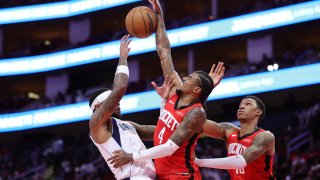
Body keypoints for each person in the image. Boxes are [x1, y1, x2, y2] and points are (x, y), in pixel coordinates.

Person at [107, 0, 225, 179]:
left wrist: (131, 157)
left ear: (196, 90)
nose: (184, 77)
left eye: (190, 78)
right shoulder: (174, 91)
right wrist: (160, 17)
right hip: (163, 173)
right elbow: (164, 52)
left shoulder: (196, 113)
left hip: (182, 175)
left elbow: (170, 146)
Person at [89, 35, 156, 180]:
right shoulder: (96, 124)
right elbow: (119, 88)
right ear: (99, 106)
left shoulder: (126, 124)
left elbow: (158, 132)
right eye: (111, 101)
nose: (117, 103)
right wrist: (123, 57)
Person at [195, 96, 276, 180]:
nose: (241, 107)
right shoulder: (229, 130)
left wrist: (200, 162)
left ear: (258, 112)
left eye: (248, 104)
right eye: (240, 105)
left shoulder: (265, 136)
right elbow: (198, 123)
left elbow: (240, 161)